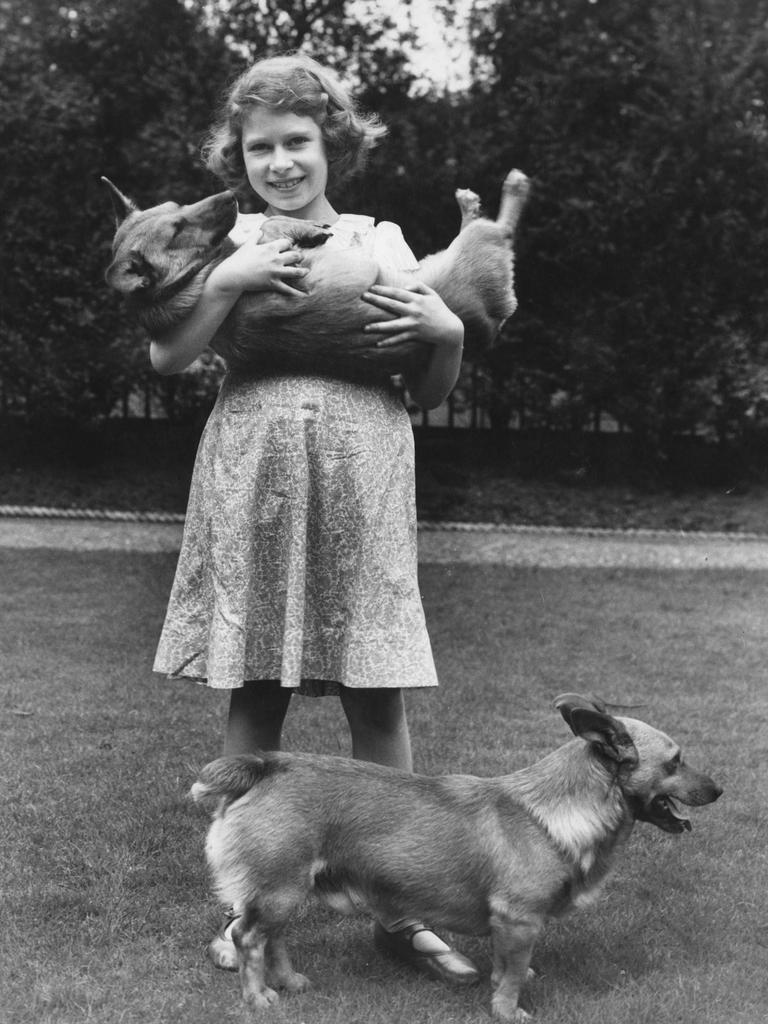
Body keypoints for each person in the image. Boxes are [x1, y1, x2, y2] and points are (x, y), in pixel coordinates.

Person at [150, 53, 477, 987]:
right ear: (238, 155)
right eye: (262, 147)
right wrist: (225, 281)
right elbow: (168, 356)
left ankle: (401, 911)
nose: (282, 162)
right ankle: (241, 912)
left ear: (333, 145)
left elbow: (425, 389)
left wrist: (447, 337)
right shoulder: (219, 240)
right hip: (253, 465)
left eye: (299, 142)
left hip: (365, 465)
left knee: (377, 689)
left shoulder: (383, 240)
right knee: (257, 684)